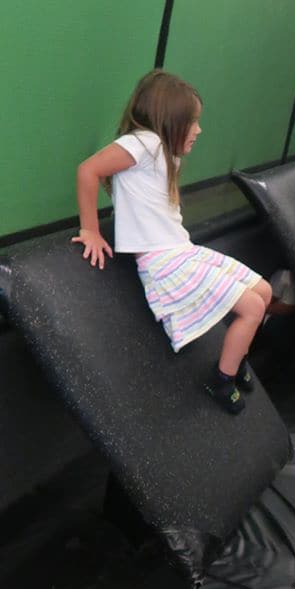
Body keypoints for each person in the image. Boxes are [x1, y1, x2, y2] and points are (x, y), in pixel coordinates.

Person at [71, 70, 273, 415]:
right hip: (163, 263)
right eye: (192, 123)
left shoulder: (164, 152)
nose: (199, 130)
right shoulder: (145, 143)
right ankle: (221, 379)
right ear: (169, 121)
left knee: (265, 292)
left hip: (183, 250)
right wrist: (90, 229)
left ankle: (236, 360)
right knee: (253, 308)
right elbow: (88, 170)